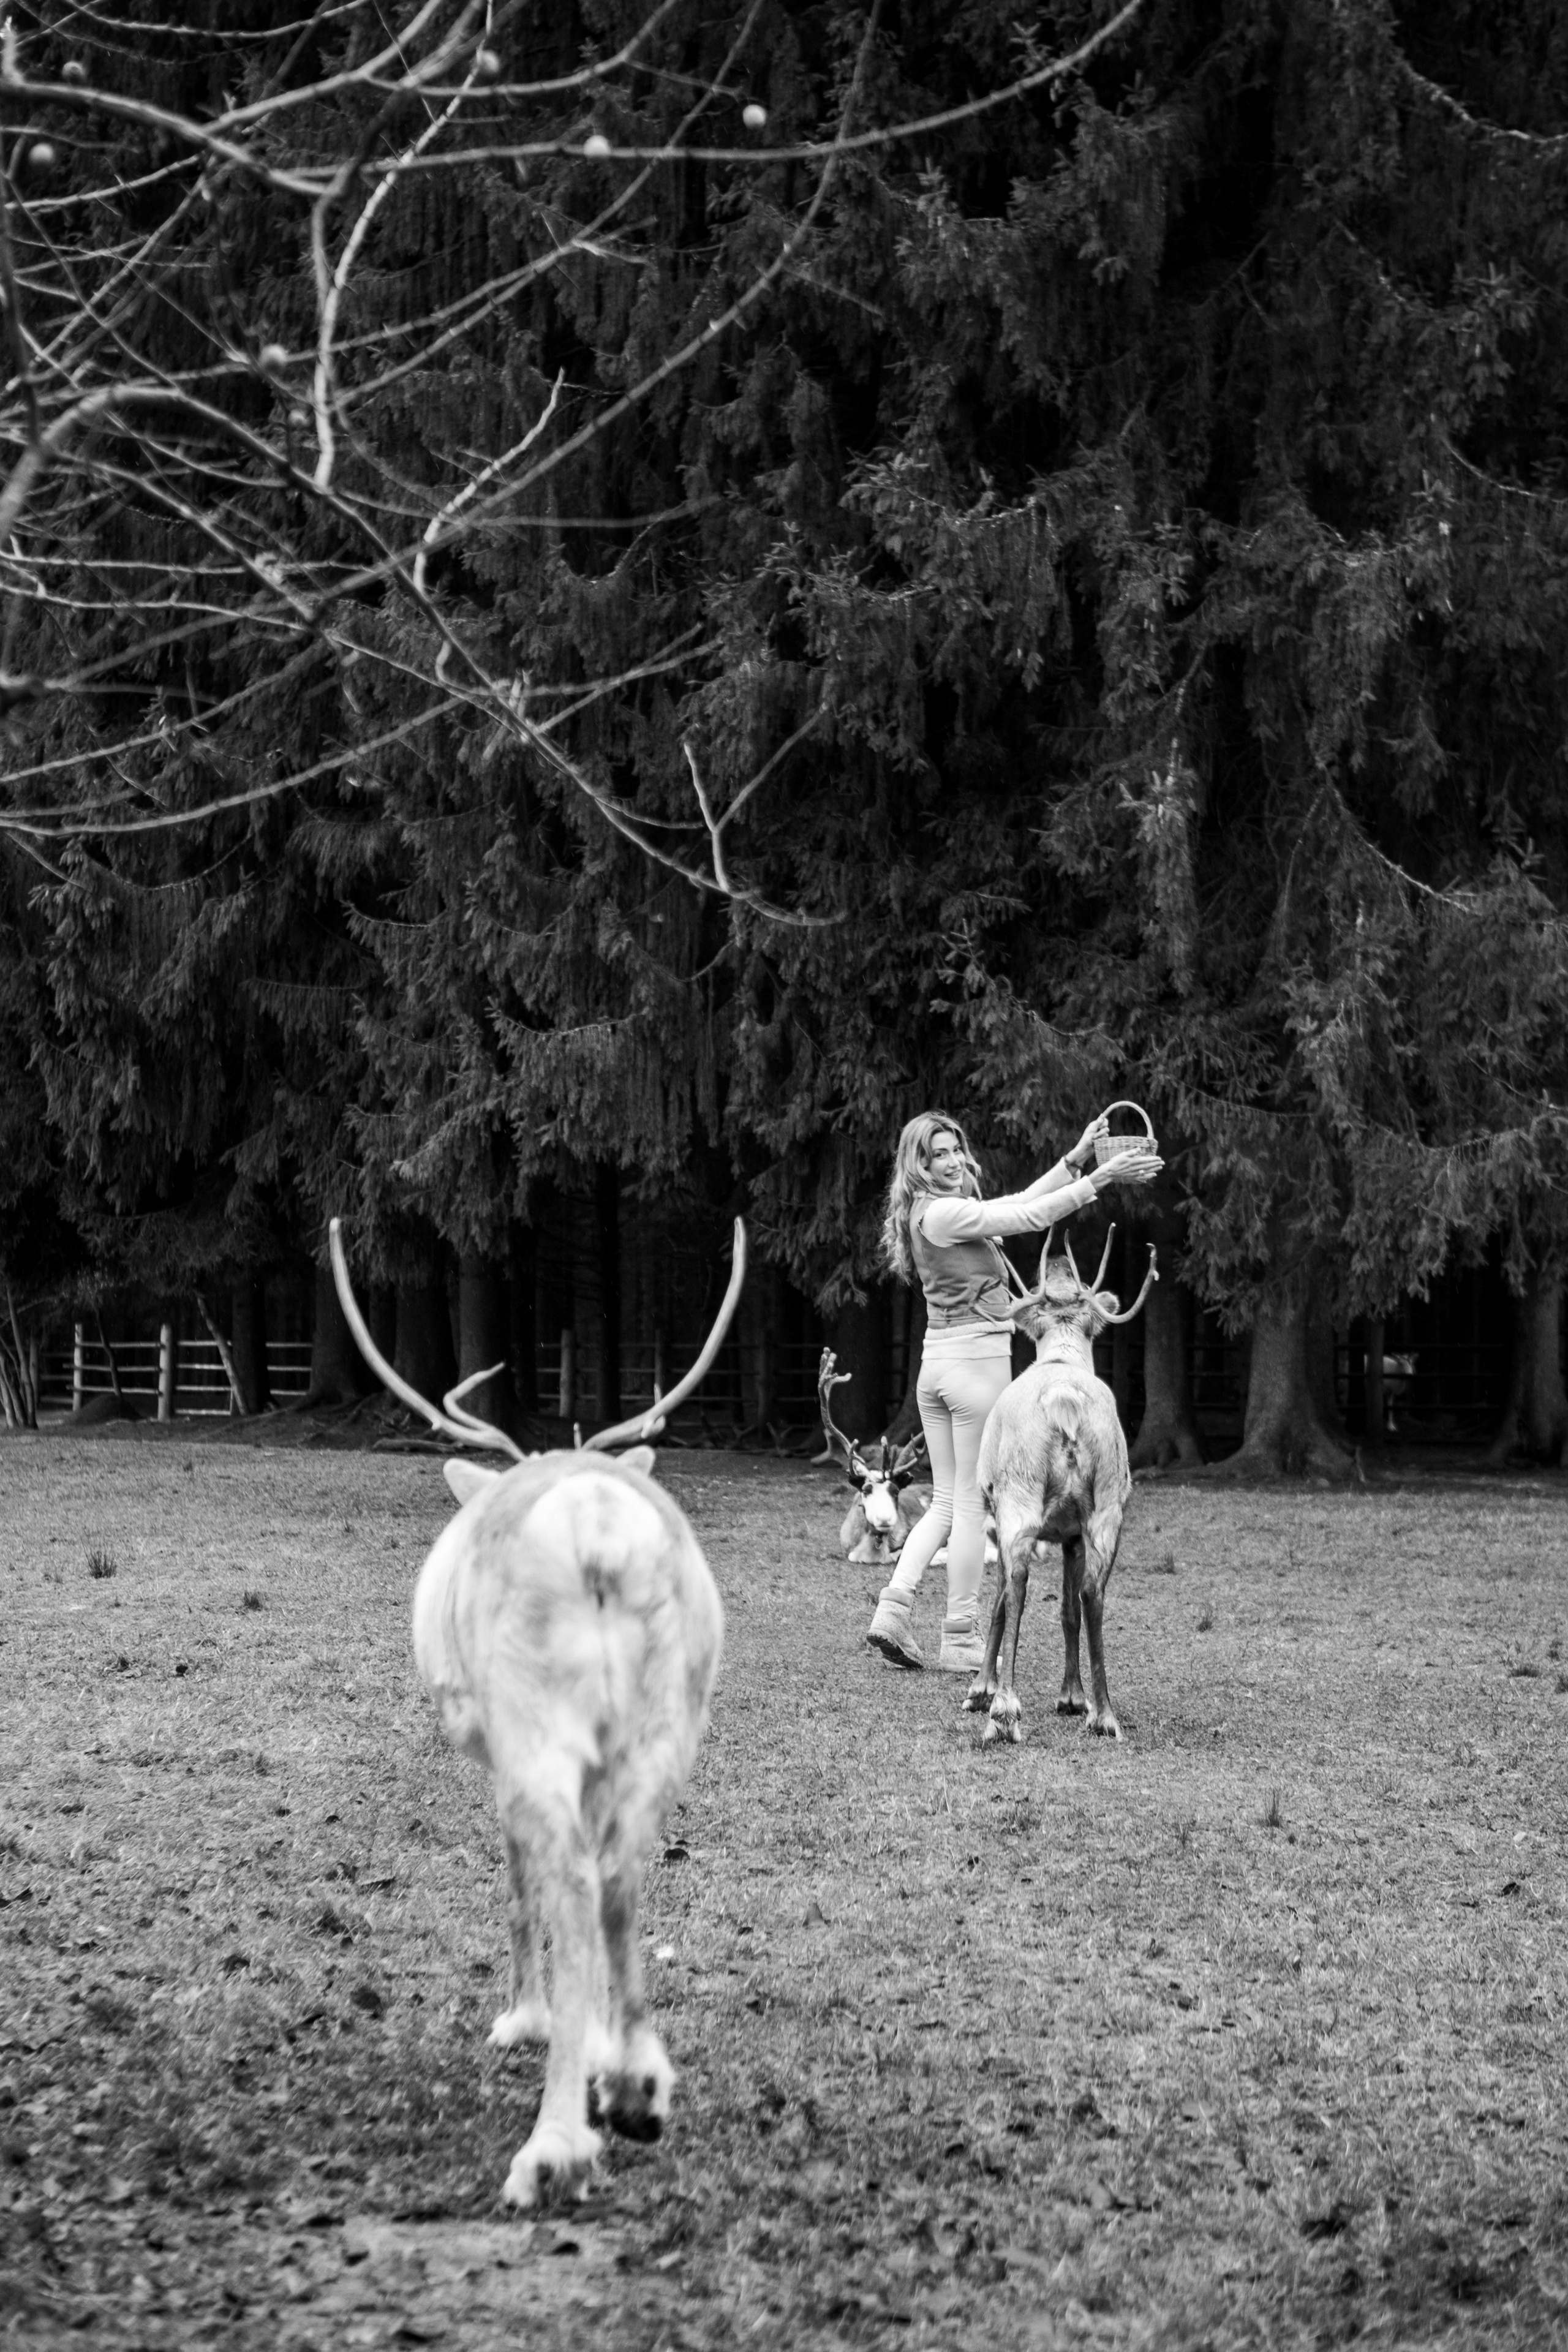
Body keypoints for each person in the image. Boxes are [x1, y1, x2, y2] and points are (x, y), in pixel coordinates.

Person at [866, 1110, 1162, 1673]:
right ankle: (959, 1636)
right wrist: (1099, 1180)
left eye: (956, 1149)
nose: (953, 1161)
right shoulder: (947, 1212)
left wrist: (1075, 1160)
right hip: (976, 1366)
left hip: (939, 1364)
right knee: (978, 1506)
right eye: (939, 1155)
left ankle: (894, 1606)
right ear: (919, 1165)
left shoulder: (934, 1213)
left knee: (951, 1502)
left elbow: (1023, 1199)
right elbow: (1028, 1213)